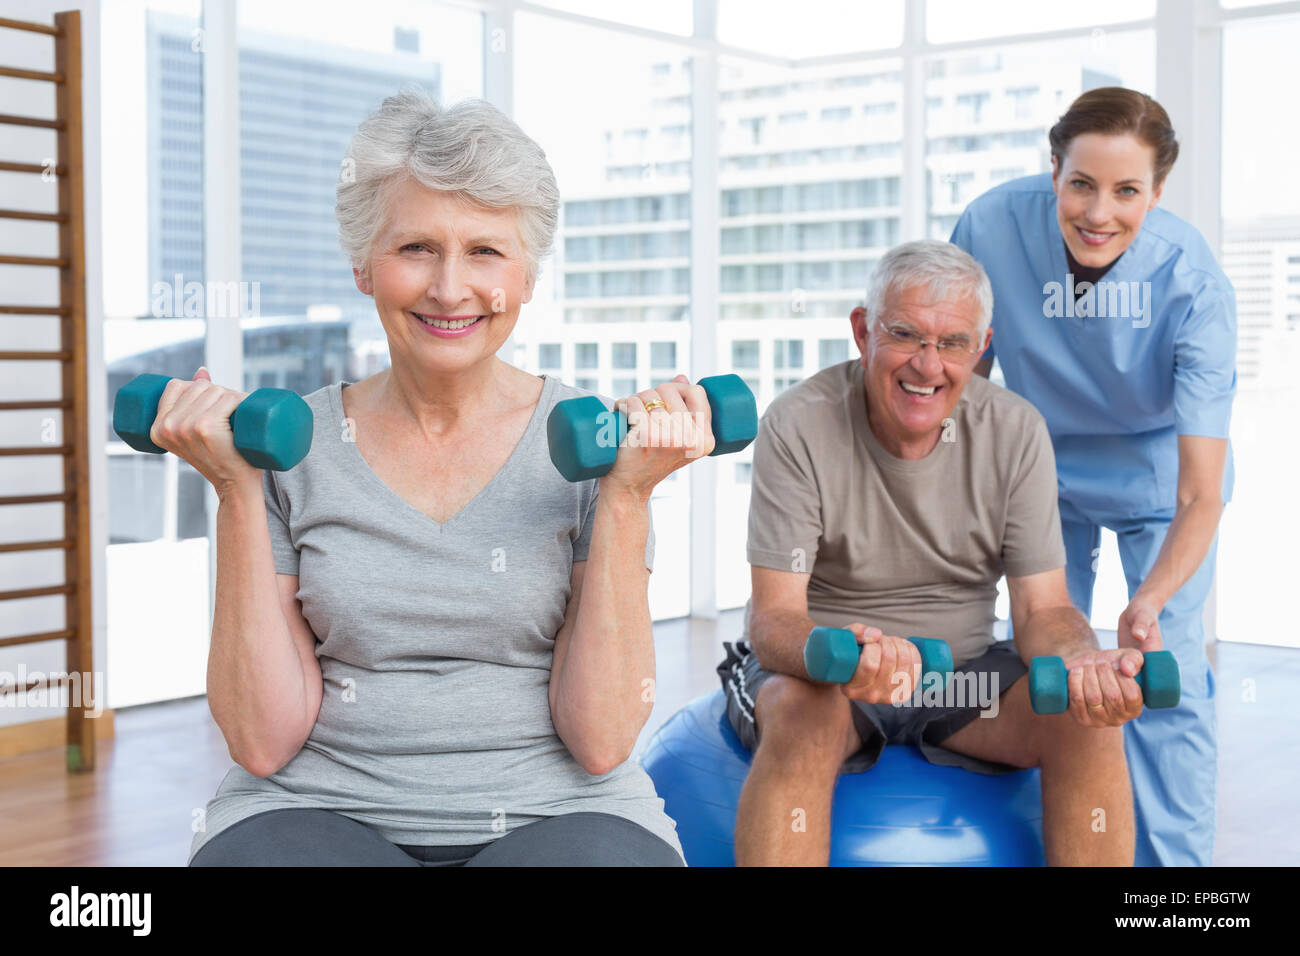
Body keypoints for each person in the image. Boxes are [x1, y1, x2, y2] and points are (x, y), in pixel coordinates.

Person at [169, 91, 712, 866]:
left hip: (556, 811)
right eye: (416, 247)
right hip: (321, 805)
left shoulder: (594, 451)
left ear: (527, 277)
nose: (450, 288)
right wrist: (234, 490)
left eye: (486, 252)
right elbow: (261, 739)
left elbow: (600, 740)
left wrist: (628, 495)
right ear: (363, 265)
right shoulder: (291, 449)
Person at [718, 240, 1145, 867]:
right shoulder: (797, 423)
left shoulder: (1016, 431)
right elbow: (774, 617)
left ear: (981, 348)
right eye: (905, 334)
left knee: (1087, 718)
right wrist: (841, 657)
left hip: (962, 677)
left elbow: (1042, 611)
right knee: (798, 716)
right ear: (864, 332)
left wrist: (1083, 663)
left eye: (952, 344)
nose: (927, 365)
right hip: (832, 677)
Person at [949, 87, 1235, 866]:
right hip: (1040, 470)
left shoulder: (1191, 282)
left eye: (1127, 190)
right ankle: (1055, 845)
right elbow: (959, 385)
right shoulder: (989, 227)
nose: (1099, 212)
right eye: (1081, 183)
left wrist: (1151, 599)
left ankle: (1176, 884)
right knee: (1047, 670)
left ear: (1158, 192)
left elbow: (1201, 491)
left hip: (1156, 480)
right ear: (1053, 171)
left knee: (1163, 673)